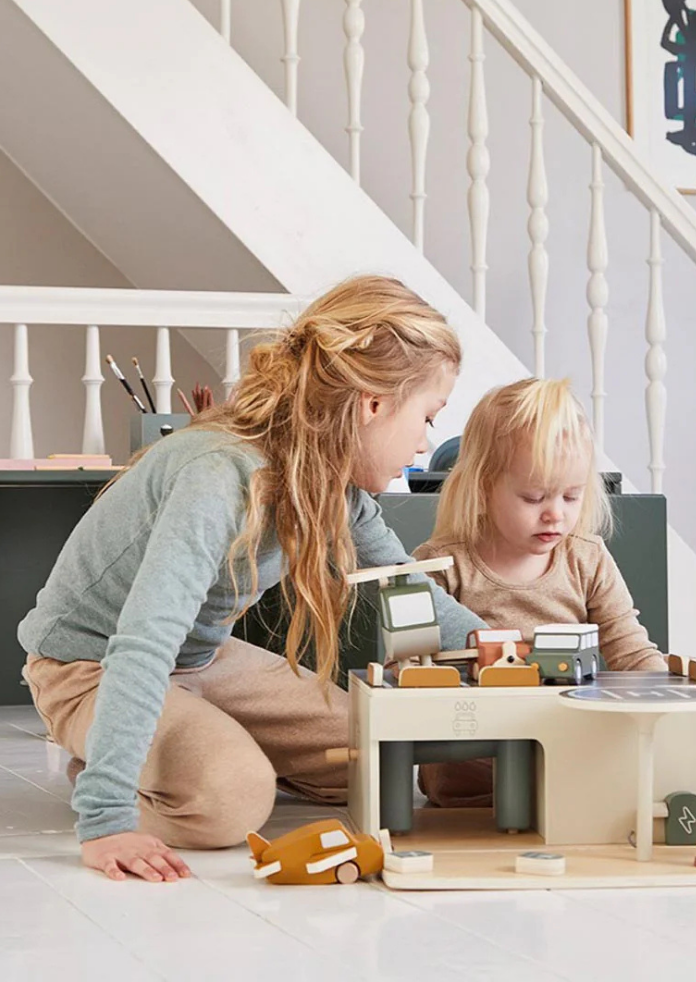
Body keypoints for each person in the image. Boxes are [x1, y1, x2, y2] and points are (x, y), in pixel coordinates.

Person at [18, 275, 489, 883]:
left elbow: (402, 583)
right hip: (94, 664)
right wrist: (107, 819)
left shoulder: (331, 484)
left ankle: (179, 748)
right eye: (427, 417)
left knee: (375, 759)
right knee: (228, 803)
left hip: (201, 660)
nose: (425, 445)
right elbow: (144, 639)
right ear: (373, 404)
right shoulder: (220, 475)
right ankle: (116, 769)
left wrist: (502, 644)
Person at [413, 377, 696, 810]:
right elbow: (415, 670)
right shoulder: (442, 563)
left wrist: (683, 710)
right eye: (533, 497)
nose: (555, 513)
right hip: (481, 744)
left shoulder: (584, 556)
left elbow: (632, 652)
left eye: (571, 495)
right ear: (483, 488)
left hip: (575, 725)